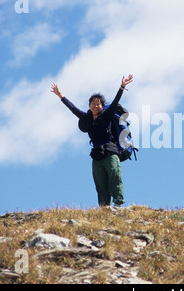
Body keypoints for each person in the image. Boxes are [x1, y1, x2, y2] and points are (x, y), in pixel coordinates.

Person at [50, 75, 134, 208]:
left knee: (114, 177)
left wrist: (122, 87)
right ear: (89, 106)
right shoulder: (87, 118)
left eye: (98, 103)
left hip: (111, 153)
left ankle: (118, 204)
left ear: (101, 106)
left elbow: (114, 103)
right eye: (93, 103)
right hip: (96, 155)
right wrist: (60, 95)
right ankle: (104, 207)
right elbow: (72, 108)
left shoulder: (106, 116)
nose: (96, 105)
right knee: (100, 183)